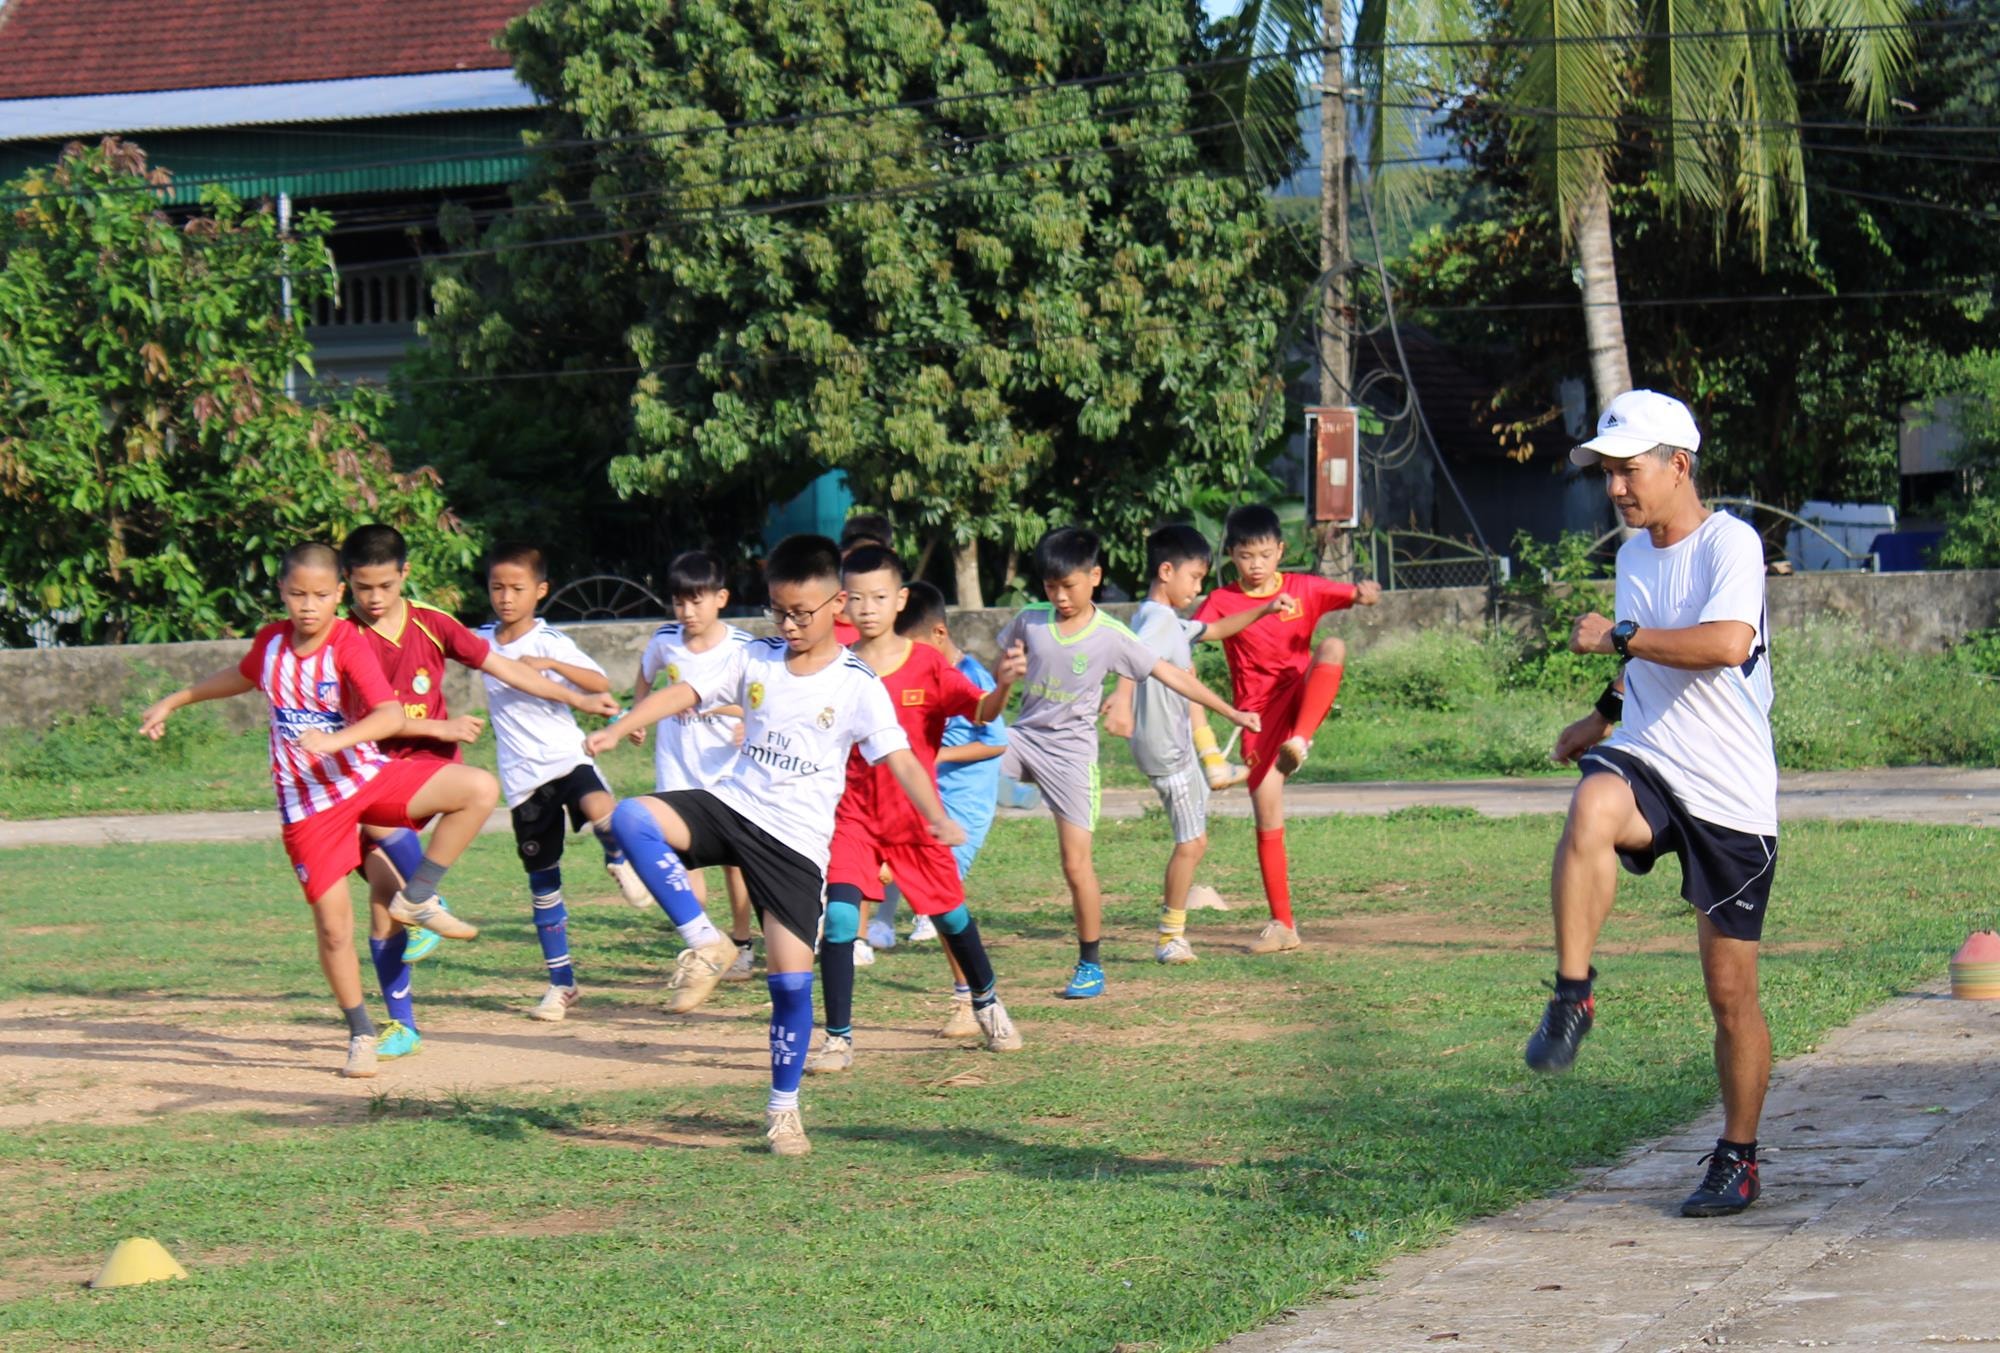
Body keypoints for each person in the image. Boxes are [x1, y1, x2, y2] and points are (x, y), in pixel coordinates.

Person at [585, 534, 968, 1157]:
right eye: (778, 611)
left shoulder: (855, 683)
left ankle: (783, 1113)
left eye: (802, 613)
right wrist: (623, 725)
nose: (788, 625)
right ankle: (704, 941)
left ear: (836, 605)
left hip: (795, 849)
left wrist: (934, 816)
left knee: (790, 986)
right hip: (734, 806)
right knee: (631, 818)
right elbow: (689, 692)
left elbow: (898, 755)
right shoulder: (754, 657)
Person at [1527, 389, 1778, 1220]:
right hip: (1653, 757)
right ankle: (1573, 993)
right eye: (1606, 474)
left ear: (1679, 464)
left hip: (1732, 793)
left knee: (1730, 995)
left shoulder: (1728, 541)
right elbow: (1644, 662)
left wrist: (1618, 637)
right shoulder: (1635, 555)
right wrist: (1598, 718)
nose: (1616, 489)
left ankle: (1737, 1157)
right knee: (1593, 806)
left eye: (1628, 470)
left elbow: (1724, 643)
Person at [138, 542, 499, 1078]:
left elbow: (387, 713)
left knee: (478, 789)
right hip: (307, 807)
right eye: (297, 594)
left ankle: (418, 897)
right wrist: (173, 700)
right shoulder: (271, 645)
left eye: (321, 595)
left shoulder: (349, 642)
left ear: (338, 595)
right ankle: (360, 1033)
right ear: (282, 592)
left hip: (365, 778)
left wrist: (337, 742)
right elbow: (241, 676)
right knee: (334, 929)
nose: (309, 606)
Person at [339, 525, 623, 1055]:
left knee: (455, 804)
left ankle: (424, 895)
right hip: (371, 769)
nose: (374, 599)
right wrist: (438, 727)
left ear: (404, 575)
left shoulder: (433, 624)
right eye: (362, 589)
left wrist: (578, 700)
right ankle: (403, 1023)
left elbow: (506, 668)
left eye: (384, 586)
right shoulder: (342, 638)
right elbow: (369, 720)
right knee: (383, 899)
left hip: (428, 774)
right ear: (347, 585)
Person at [986, 526, 1259, 999]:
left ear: (1094, 577)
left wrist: (1230, 711)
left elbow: (1172, 674)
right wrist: (1004, 675)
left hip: (1072, 758)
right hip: (1025, 738)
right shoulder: (1029, 620)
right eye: (1051, 587)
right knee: (967, 772)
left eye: (1068, 586)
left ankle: (1090, 965)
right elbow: (998, 669)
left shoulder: (1112, 635)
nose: (1060, 597)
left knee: (1076, 867)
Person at [810, 548, 1023, 1072]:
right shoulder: (833, 666)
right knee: (838, 920)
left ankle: (987, 1002)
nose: (867, 608)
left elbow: (979, 712)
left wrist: (1003, 685)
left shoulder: (927, 663)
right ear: (841, 604)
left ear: (900, 599)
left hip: (916, 818)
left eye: (879, 597)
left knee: (950, 916)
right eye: (855, 598)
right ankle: (837, 1039)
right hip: (853, 819)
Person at [1192, 505, 1381, 953]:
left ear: (1280, 550)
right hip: (1257, 716)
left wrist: (1366, 592)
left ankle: (1301, 739)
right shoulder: (1222, 600)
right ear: (1232, 557)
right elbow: (1196, 635)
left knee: (1333, 645)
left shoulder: (1303, 587)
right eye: (1244, 556)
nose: (1255, 565)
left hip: (1299, 697)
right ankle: (1284, 926)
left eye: (1263, 554)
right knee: (1267, 806)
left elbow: (1355, 594)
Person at [472, 542, 640, 1023]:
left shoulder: (549, 641)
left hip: (567, 758)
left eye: (517, 588)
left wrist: (549, 666)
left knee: (601, 807)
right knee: (543, 884)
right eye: (497, 587)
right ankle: (562, 984)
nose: (506, 597)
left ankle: (617, 855)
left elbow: (597, 680)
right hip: (523, 780)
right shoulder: (482, 641)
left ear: (540, 591)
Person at [1105, 525, 1286, 964]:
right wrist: (1123, 702)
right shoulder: (1155, 621)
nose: (1199, 587)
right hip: (1165, 750)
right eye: (1195, 577)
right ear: (1167, 571)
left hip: (1176, 746)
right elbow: (1133, 658)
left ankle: (1213, 769)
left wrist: (1263, 611)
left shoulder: (1167, 619)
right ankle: (1170, 937)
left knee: (1195, 831)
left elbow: (1218, 628)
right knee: (1193, 842)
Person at [877, 583, 1009, 1040]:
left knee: (943, 900)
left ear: (937, 633)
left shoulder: (972, 677)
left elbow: (995, 742)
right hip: (918, 803)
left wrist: (936, 758)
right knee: (921, 895)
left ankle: (966, 1000)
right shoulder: (906, 675)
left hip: (962, 808)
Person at [632, 550, 758, 985]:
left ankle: (742, 946)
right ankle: (705, 946)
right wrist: (637, 717)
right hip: (676, 768)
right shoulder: (665, 640)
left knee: (735, 862)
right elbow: (645, 677)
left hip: (727, 773)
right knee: (684, 861)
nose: (687, 611)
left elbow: (760, 702)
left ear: (721, 598)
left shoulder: (743, 647)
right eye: (680, 601)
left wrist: (745, 723)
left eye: (697, 601)